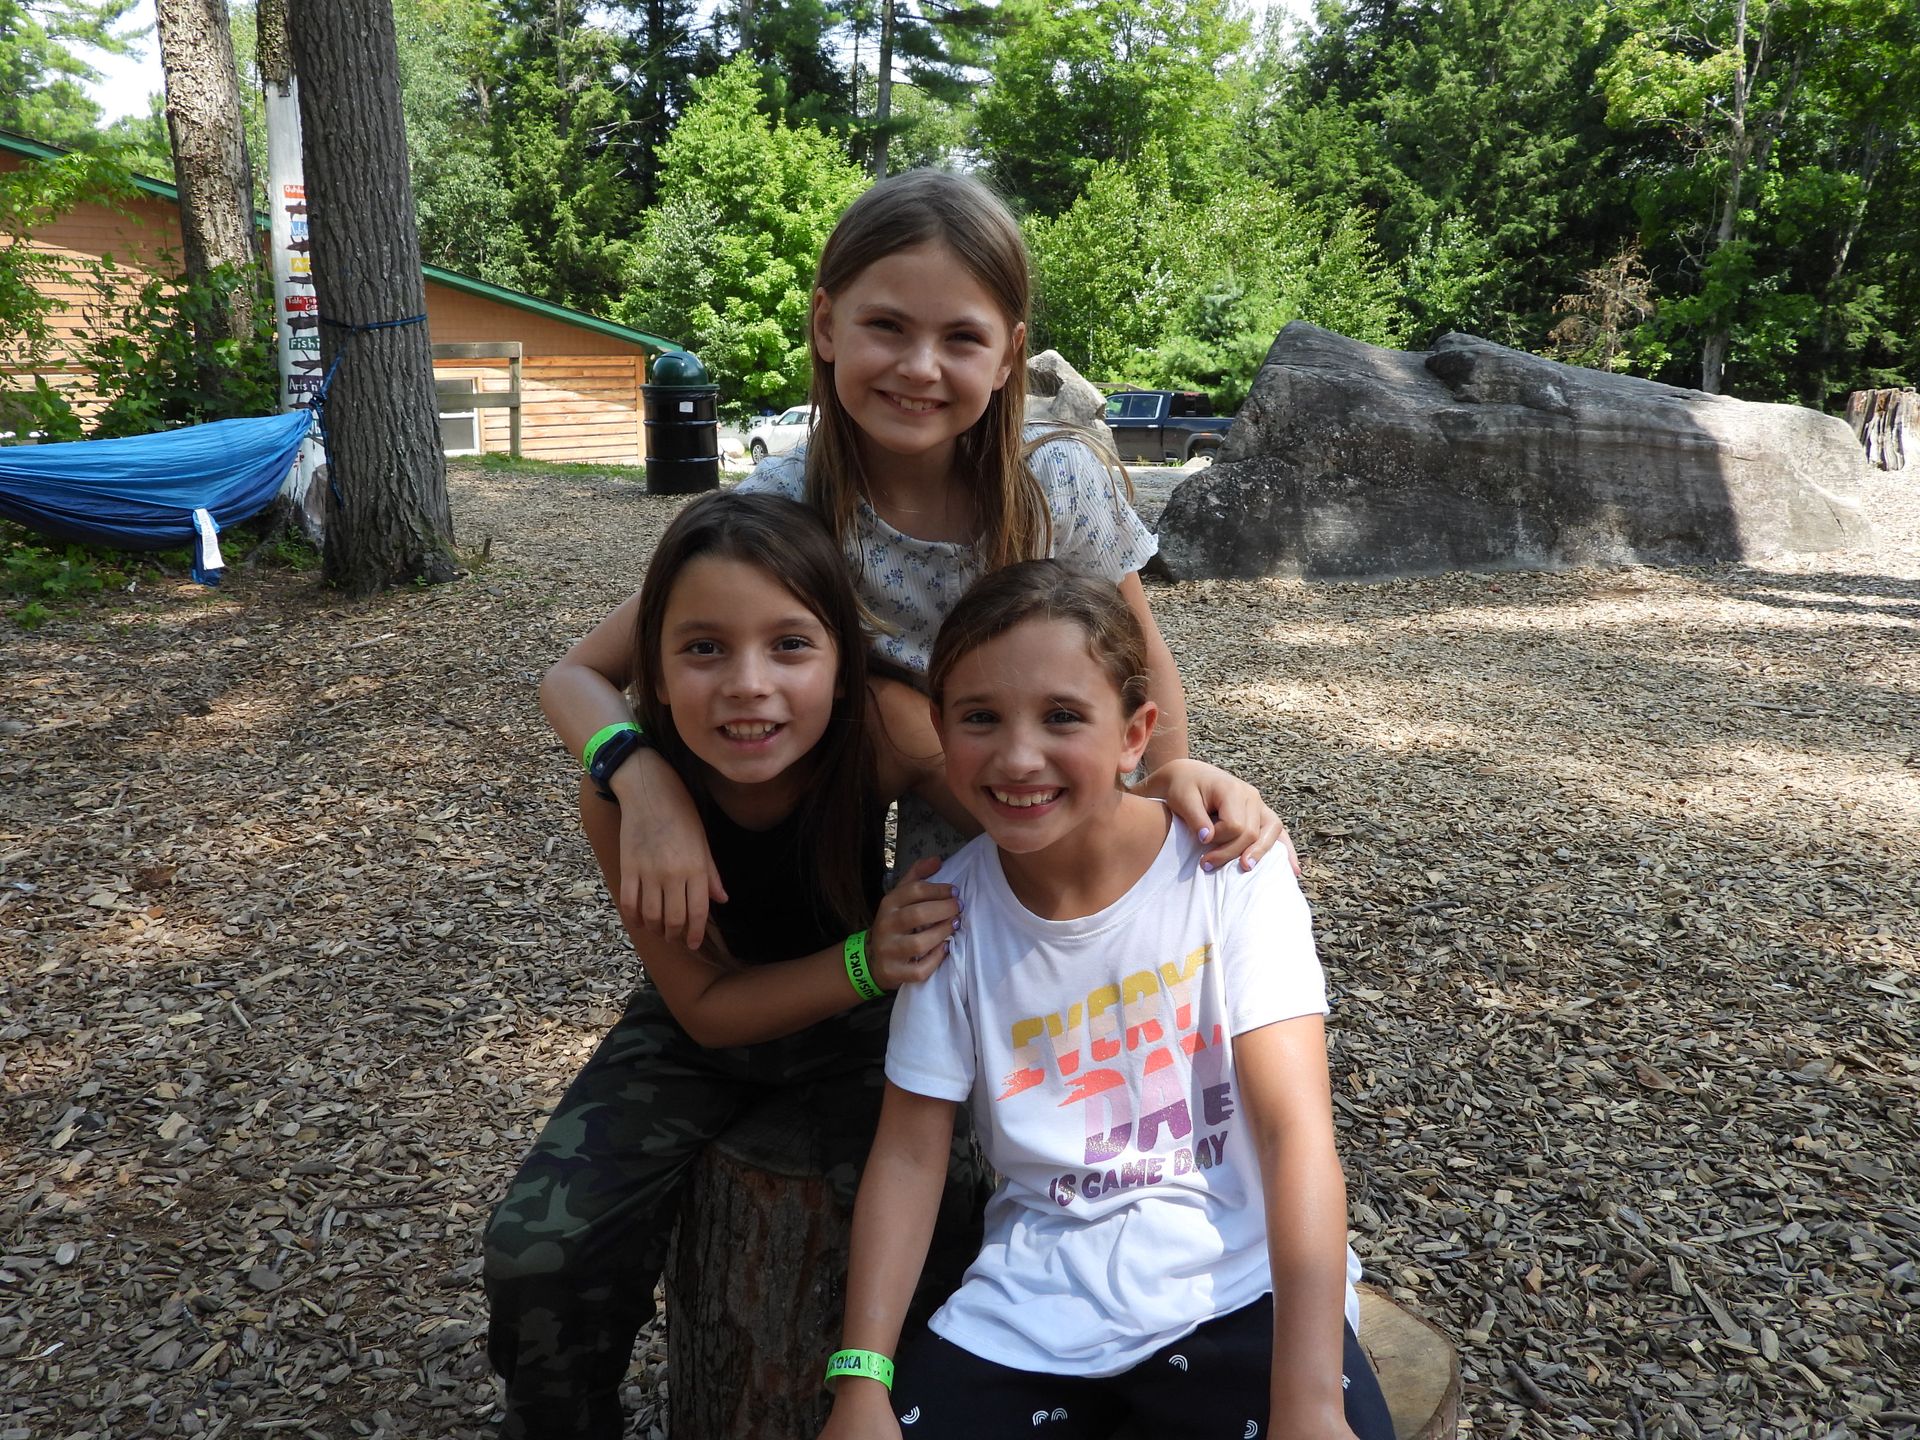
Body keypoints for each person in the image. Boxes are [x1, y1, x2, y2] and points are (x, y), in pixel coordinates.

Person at [485, 494, 1280, 1440]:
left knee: (948, 1208)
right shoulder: (628, 797)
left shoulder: (883, 729)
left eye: (790, 646)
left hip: (872, 1032)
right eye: (703, 651)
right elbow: (701, 1007)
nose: (748, 686)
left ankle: (918, 1399)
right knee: (539, 1250)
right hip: (712, 1028)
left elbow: (1039, 799)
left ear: (844, 657)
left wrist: (1172, 788)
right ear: (653, 665)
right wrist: (634, 774)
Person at [538, 167, 1289, 955]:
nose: (920, 366)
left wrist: (1171, 778)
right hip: (934, 902)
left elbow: (1142, 656)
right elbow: (575, 677)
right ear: (827, 325)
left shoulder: (1056, 483)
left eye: (961, 337)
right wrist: (641, 780)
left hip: (1078, 844)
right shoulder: (785, 509)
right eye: (887, 326)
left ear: (1009, 356)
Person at [816, 562, 1395, 1440]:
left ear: (1136, 735)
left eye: (1062, 717)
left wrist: (1309, 1402)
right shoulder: (947, 916)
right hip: (1029, 1311)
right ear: (938, 728)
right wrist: (861, 1379)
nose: (1017, 757)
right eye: (980, 718)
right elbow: (908, 1153)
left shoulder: (1231, 873)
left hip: (1234, 1286)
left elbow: (1294, 1132)